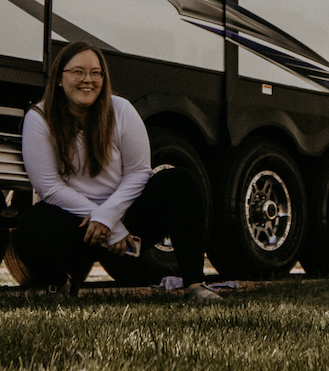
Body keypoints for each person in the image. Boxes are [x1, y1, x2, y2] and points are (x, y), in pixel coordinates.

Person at [11, 40, 210, 294]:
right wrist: (109, 228)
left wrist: (110, 218)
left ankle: (194, 284)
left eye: (96, 73)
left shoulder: (121, 110)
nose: (88, 80)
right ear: (59, 79)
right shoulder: (39, 118)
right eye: (78, 72)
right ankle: (62, 285)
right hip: (79, 227)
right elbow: (49, 187)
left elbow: (139, 172)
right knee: (30, 227)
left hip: (128, 224)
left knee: (181, 182)